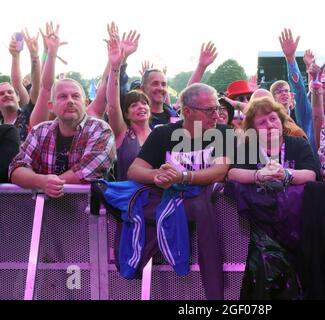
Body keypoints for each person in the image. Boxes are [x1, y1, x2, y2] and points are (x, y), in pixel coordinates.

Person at [127, 83, 232, 300]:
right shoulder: (163, 134)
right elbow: (134, 170)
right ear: (187, 111)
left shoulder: (223, 132)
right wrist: (158, 175)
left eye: (218, 108)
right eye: (210, 110)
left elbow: (220, 171)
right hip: (170, 224)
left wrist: (183, 176)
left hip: (214, 226)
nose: (217, 115)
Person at [227, 97, 318, 299]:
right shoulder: (247, 148)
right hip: (259, 231)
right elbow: (232, 173)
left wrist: (286, 174)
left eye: (273, 119)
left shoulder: (298, 144)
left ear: (282, 120)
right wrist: (257, 175)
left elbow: (311, 174)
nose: (270, 125)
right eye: (262, 122)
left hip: (297, 228)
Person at [9, 78, 115, 198]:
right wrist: (40, 181)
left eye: (75, 96)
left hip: (89, 212)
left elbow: (88, 170)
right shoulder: (39, 131)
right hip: (44, 212)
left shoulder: (100, 129)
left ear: (86, 104)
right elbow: (16, 167)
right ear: (51, 106)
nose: (70, 101)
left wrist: (47, 185)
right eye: (63, 96)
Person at [105, 32, 151, 181]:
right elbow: (112, 104)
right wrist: (116, 66)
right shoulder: (123, 133)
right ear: (126, 113)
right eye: (134, 105)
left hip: (156, 201)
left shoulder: (159, 132)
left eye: (144, 103)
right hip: (127, 201)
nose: (141, 107)